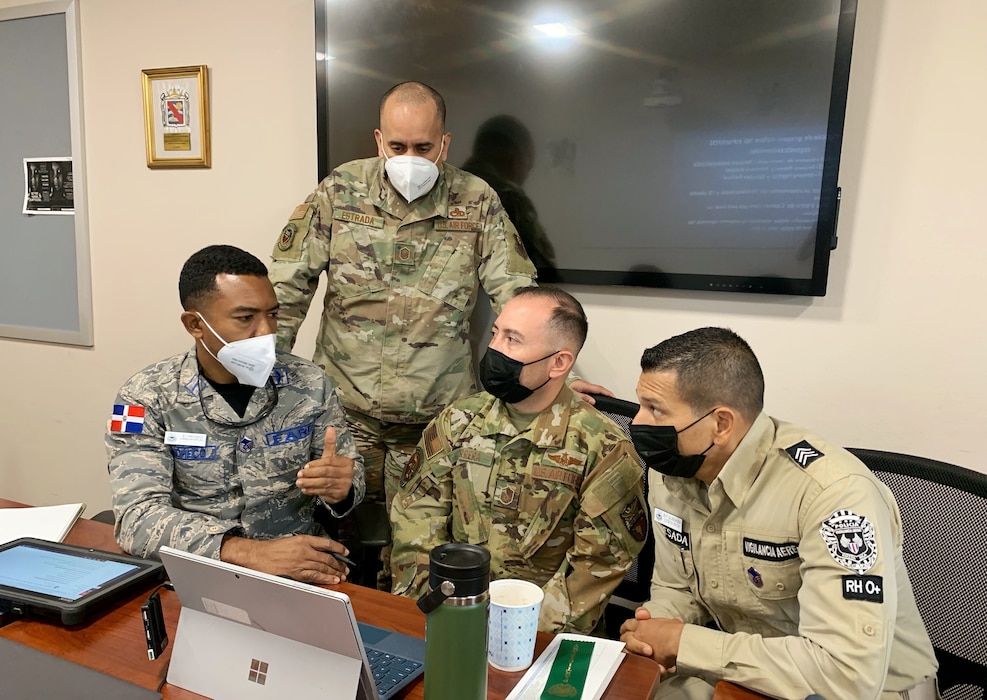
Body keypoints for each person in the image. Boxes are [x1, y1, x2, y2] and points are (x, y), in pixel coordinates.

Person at [269, 81, 608, 589]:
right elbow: (286, 289)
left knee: (417, 565)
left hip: (438, 425)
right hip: (343, 416)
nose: (410, 158)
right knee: (331, 555)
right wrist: (266, 383)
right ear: (379, 139)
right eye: (397, 146)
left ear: (444, 145)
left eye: (423, 148)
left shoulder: (476, 202)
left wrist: (554, 375)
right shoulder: (339, 191)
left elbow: (521, 298)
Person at [620, 327, 938, 699]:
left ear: (720, 425)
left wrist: (684, 643)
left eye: (655, 409)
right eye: (640, 404)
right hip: (745, 674)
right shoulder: (673, 467)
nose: (637, 422)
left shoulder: (833, 494)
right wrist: (652, 630)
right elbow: (676, 586)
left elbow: (847, 674)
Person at [390, 287, 647, 634]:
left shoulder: (603, 447)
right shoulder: (458, 421)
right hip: (450, 614)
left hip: (543, 633)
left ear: (559, 363)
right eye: (496, 333)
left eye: (513, 340)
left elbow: (596, 564)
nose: (495, 349)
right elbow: (416, 517)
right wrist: (433, 608)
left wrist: (512, 631)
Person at [106, 245, 365, 585]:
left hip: (299, 570)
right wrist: (250, 553)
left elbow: (350, 474)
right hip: (197, 570)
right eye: (246, 318)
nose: (266, 332)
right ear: (195, 324)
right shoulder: (144, 397)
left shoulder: (309, 383)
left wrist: (342, 488)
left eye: (272, 314)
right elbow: (137, 519)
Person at [461, 114, 556, 271]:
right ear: (517, 162)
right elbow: (544, 271)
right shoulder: (510, 200)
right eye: (528, 168)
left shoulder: (441, 191)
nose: (525, 176)